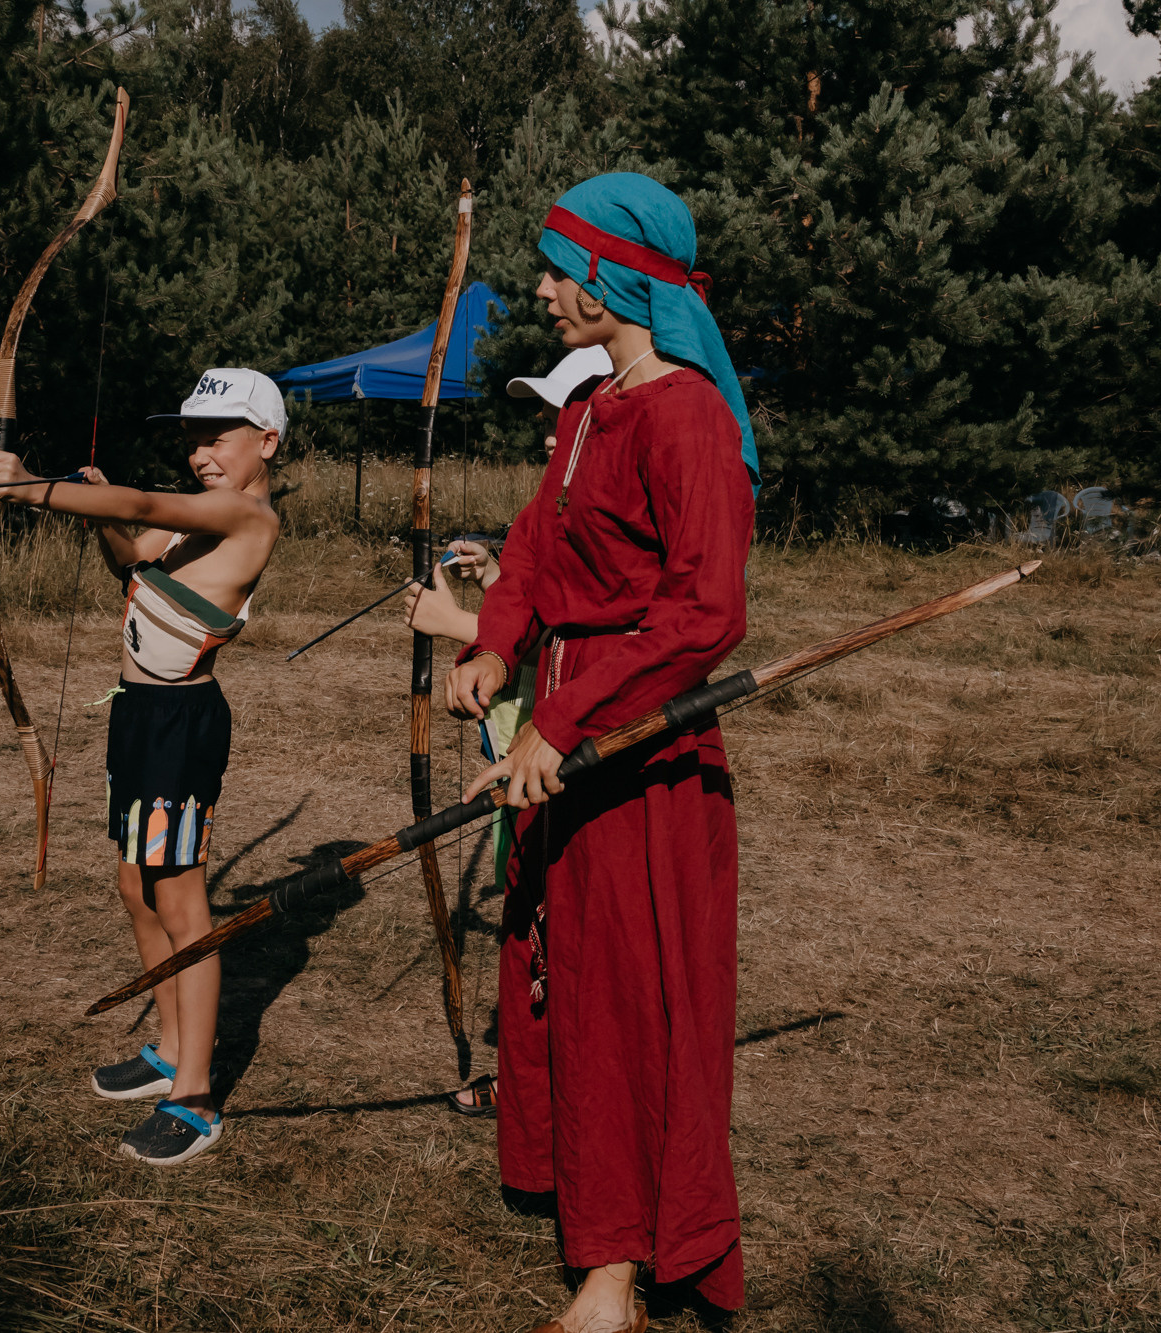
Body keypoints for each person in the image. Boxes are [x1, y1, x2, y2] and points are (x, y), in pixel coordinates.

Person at [445, 173, 759, 1330]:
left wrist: (568, 717)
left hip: (642, 748)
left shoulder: (687, 418)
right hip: (567, 722)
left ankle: (616, 1274)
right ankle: (583, 1205)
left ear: (612, 278)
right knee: (560, 975)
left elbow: (704, 613)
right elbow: (533, 549)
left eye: (554, 269)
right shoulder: (588, 411)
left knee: (626, 998)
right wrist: (496, 645)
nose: (539, 290)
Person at [0, 367, 286, 1167]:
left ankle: (196, 1096)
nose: (201, 453)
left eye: (217, 437)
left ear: (267, 442)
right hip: (139, 716)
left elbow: (148, 508)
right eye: (193, 439)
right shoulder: (198, 523)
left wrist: (32, 488)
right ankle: (171, 1046)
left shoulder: (246, 515)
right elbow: (134, 546)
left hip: (181, 727)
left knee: (183, 905)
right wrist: (97, 509)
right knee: (135, 885)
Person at [403, 344, 612, 1118]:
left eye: (569, 410)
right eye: (550, 415)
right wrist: (493, 580)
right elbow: (537, 603)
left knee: (570, 923)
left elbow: (572, 637)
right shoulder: (554, 501)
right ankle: (532, 1073)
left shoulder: (609, 506)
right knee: (536, 916)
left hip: (568, 746)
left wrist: (453, 621)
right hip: (532, 745)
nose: (553, 430)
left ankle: (561, 1081)